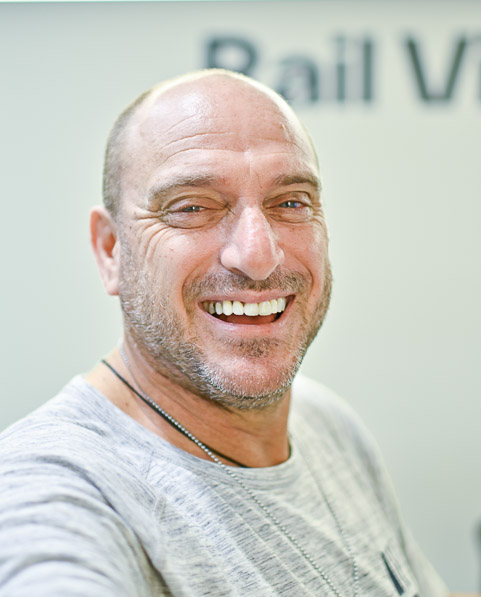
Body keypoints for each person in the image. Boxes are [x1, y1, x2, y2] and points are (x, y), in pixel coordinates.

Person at [0, 69, 448, 596]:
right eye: (192, 207)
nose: (257, 256)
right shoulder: (58, 489)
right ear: (111, 250)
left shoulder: (325, 425)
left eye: (291, 203)